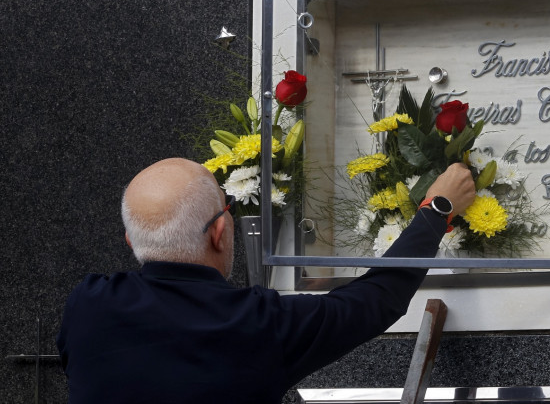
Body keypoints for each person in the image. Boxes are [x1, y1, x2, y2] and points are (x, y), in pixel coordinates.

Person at [56, 158, 476, 403]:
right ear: (220, 232)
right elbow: (377, 298)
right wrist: (437, 209)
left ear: (131, 239)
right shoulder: (258, 324)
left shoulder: (86, 306)